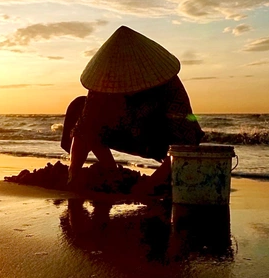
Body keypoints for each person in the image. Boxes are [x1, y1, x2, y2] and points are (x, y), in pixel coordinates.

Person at [61, 25, 204, 193]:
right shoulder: (104, 82)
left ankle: (163, 177)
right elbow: (85, 127)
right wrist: (74, 174)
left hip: (158, 141)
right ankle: (111, 170)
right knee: (79, 106)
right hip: (125, 132)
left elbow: (184, 143)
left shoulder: (170, 86)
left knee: (182, 151)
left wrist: (150, 184)